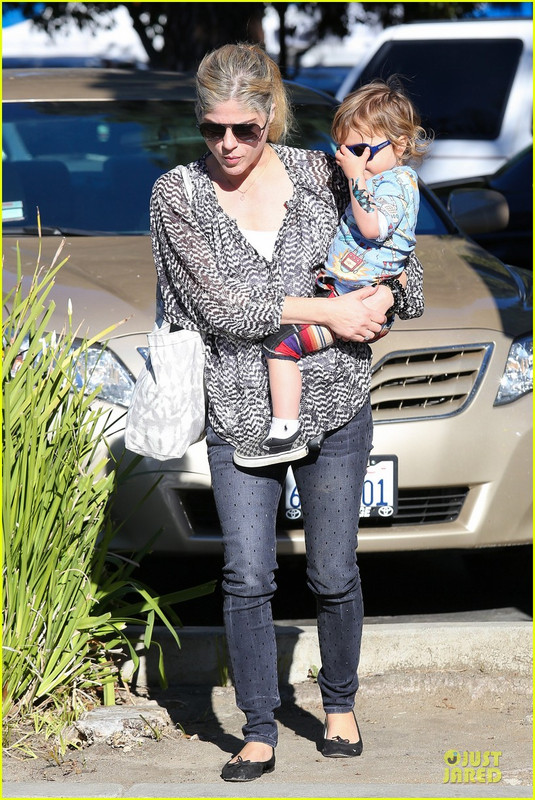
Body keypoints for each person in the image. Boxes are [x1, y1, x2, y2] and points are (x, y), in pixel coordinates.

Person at [150, 43, 424, 782]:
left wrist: (380, 302)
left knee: (333, 573)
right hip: (238, 410)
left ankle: (339, 705)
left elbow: (406, 266)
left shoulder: (321, 169)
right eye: (213, 130)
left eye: (245, 128)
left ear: (271, 116)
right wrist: (331, 306)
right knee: (246, 574)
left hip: (336, 402)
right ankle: (258, 728)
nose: (229, 145)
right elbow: (222, 307)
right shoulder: (177, 194)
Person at [236, 78, 429, 467]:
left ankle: (284, 432)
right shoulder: (380, 176)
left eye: (361, 150)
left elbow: (375, 228)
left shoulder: (396, 184)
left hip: (359, 301)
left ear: (402, 145)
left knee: (282, 348)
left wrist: (356, 175)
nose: (347, 159)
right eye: (342, 149)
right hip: (348, 295)